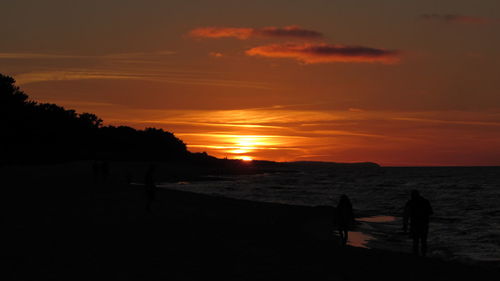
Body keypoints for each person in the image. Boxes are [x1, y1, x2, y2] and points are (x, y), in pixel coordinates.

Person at [403, 190, 433, 256]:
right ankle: (423, 254)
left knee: (416, 241)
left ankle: (416, 254)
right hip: (424, 224)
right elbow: (430, 212)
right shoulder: (425, 201)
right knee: (423, 241)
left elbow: (406, 216)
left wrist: (405, 226)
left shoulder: (410, 203)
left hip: (415, 224)